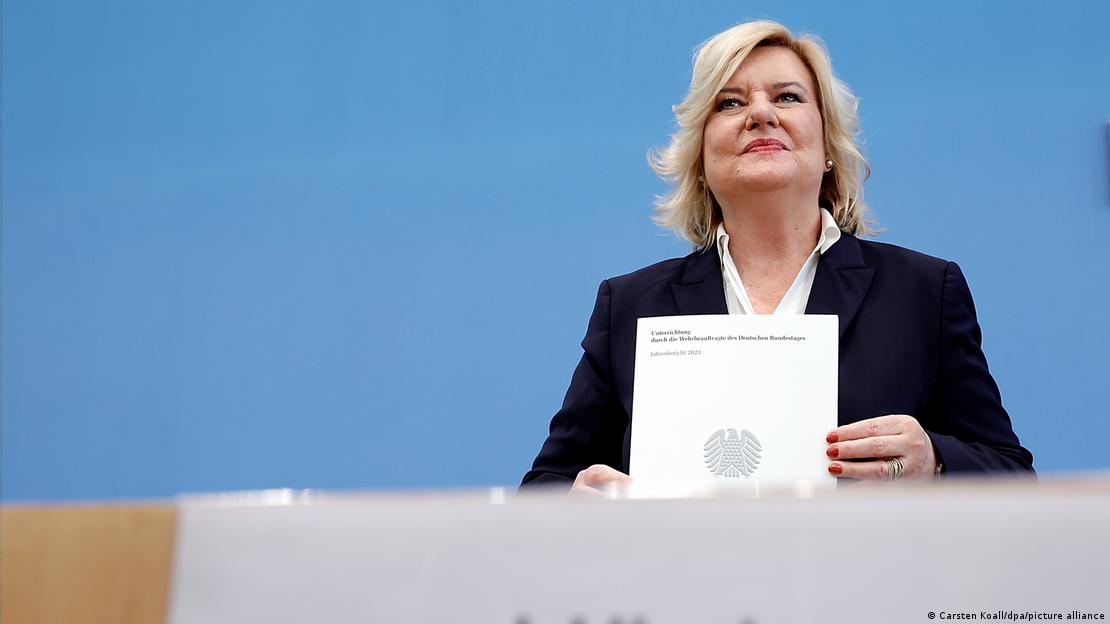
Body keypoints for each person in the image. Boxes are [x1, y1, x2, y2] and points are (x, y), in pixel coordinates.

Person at [520, 20, 1034, 494]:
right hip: (681, 586)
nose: (761, 115)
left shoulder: (923, 290)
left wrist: (935, 459)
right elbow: (545, 485)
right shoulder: (630, 304)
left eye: (787, 97)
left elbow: (1014, 476)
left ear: (828, 142)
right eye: (729, 103)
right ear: (699, 155)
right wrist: (574, 498)